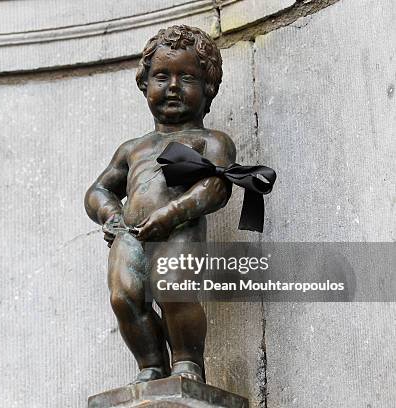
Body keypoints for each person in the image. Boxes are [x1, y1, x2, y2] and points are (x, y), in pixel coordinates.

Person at [84, 25, 236, 384]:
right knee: (124, 296)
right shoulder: (133, 148)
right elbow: (97, 191)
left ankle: (187, 363)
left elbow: (216, 187)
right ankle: (151, 366)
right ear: (144, 83)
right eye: (162, 76)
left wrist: (171, 214)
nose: (172, 86)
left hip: (178, 230)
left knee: (173, 288)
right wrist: (112, 216)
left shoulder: (210, 140)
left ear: (208, 88)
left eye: (186, 77)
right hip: (130, 233)